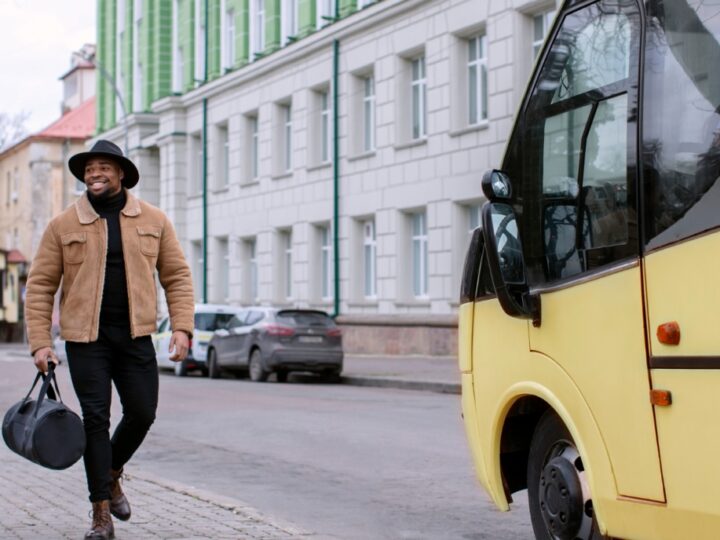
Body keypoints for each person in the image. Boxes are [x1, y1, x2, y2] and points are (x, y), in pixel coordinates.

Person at [24, 140, 194, 540]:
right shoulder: (63, 225)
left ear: (120, 173)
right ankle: (101, 513)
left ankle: (112, 473)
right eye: (89, 169)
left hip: (135, 336)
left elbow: (177, 276)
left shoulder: (153, 220)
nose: (95, 174)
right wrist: (39, 343)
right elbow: (40, 286)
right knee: (96, 421)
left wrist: (182, 327)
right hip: (86, 340)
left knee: (142, 412)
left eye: (103, 167)